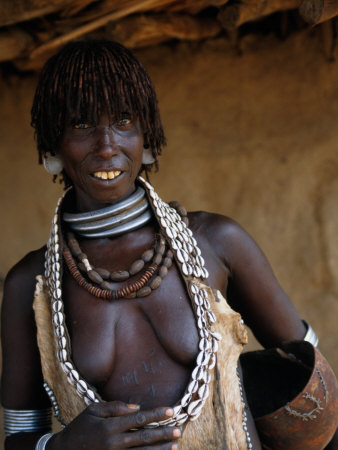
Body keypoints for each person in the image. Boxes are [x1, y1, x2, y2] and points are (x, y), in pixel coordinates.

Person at [1, 40, 337, 450]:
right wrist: (62, 446)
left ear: (147, 136)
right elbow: (17, 439)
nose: (107, 146)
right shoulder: (30, 286)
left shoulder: (216, 241)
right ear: (55, 144)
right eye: (82, 124)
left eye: (124, 121)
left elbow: (316, 394)